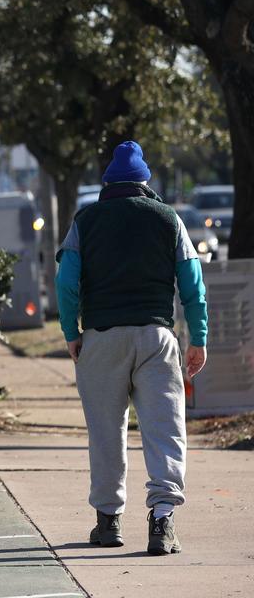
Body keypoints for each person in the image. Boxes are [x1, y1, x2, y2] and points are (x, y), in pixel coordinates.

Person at [55, 141, 208, 556]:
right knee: (164, 430)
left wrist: (73, 332)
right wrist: (199, 339)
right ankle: (161, 520)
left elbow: (67, 284)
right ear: (144, 181)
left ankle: (108, 522)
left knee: (106, 433)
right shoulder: (168, 218)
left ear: (108, 183)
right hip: (156, 339)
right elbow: (193, 286)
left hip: (102, 338)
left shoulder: (85, 221)